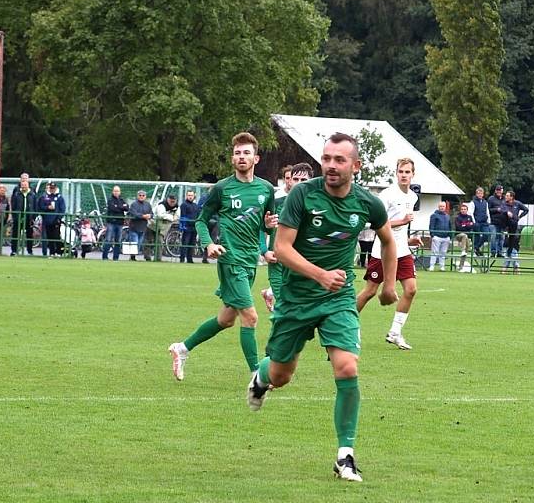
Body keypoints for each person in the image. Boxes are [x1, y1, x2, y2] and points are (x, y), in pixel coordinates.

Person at [247, 132, 398, 483]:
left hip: (338, 299)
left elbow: (388, 240)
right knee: (282, 376)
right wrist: (319, 275)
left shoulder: (368, 203)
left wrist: (388, 285)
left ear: (355, 166)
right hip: (297, 298)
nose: (330, 165)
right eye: (326, 158)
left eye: (339, 160)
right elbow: (282, 248)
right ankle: (261, 376)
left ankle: (345, 454)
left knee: (347, 367)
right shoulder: (302, 194)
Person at [168, 132, 276, 382]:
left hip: (250, 261)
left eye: (246, 152)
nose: (241, 157)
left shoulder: (266, 189)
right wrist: (208, 244)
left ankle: (181, 348)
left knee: (226, 319)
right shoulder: (222, 188)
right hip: (230, 260)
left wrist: (270, 226)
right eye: (237, 153)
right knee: (250, 316)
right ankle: (256, 375)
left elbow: (267, 226)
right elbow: (201, 220)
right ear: (232, 158)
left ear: (256, 158)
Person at [356, 157, 418, 350]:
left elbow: (401, 229)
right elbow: (377, 224)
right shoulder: (387, 195)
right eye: (401, 171)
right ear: (396, 173)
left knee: (411, 289)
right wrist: (402, 221)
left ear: (413, 174)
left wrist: (408, 240)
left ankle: (395, 332)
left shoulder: (413, 197)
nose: (404, 175)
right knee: (370, 292)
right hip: (381, 250)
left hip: (402, 250)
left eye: (408, 172)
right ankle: (345, 326)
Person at [260, 162, 312, 311]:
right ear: (289, 180)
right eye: (295, 179)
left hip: (302, 265)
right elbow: (261, 228)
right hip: (278, 263)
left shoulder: (317, 208)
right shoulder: (276, 203)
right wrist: (264, 251)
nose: (298, 183)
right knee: (285, 307)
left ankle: (269, 293)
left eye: (304, 180)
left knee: (297, 310)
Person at [500, 190, 528, 274]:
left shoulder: (517, 203)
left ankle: (511, 268)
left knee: (514, 245)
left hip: (514, 226)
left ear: (511, 197)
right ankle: (510, 267)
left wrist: (519, 217)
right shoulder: (504, 203)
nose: (506, 197)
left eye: (507, 195)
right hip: (505, 226)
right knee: (507, 246)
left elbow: (526, 210)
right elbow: (502, 209)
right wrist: (507, 212)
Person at [9, 173, 37, 256]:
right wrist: (14, 215)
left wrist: (34, 215)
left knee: (29, 234)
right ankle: (14, 251)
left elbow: (35, 203)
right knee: (16, 233)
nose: (24, 180)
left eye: (26, 179)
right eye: (23, 179)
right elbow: (13, 203)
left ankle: (29, 251)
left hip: (29, 216)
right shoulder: (16, 190)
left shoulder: (32, 190)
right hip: (18, 216)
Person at [144, 194, 179, 261]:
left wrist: (169, 217)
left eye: (174, 201)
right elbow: (160, 215)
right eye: (171, 200)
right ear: (167, 199)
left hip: (162, 228)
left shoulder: (177, 207)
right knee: (149, 241)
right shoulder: (161, 205)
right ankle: (147, 257)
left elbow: (177, 217)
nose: (172, 202)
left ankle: (158, 259)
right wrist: (171, 217)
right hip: (152, 224)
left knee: (159, 242)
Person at [37, 182, 65, 257]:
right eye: (51, 188)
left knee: (56, 236)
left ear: (55, 188)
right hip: (47, 220)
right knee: (49, 237)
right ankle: (52, 253)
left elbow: (62, 209)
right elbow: (41, 207)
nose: (52, 190)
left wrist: (59, 218)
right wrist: (47, 208)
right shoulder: (44, 197)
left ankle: (59, 252)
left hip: (56, 221)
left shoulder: (59, 197)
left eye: (53, 188)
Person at [101, 185, 129, 261]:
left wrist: (119, 206)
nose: (116, 192)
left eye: (118, 191)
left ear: (120, 192)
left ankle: (116, 257)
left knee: (118, 240)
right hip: (111, 222)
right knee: (108, 239)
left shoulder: (122, 199)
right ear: (113, 192)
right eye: (115, 191)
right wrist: (121, 207)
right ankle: (105, 257)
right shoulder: (110, 200)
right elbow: (113, 208)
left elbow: (127, 208)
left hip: (120, 223)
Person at [126, 190, 152, 261]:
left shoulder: (148, 205)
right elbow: (134, 214)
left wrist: (149, 216)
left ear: (145, 197)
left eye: (143, 195)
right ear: (137, 196)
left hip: (143, 227)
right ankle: (132, 257)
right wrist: (143, 216)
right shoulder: (134, 204)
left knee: (139, 244)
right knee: (135, 243)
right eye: (140, 195)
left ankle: (132, 257)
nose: (141, 197)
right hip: (134, 227)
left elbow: (151, 213)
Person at [178, 190, 201, 263]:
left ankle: (190, 258)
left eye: (191, 195)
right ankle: (182, 259)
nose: (190, 197)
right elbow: (183, 216)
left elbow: (198, 215)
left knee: (192, 243)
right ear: (186, 196)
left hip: (194, 227)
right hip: (187, 227)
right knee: (185, 243)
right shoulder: (184, 205)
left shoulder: (195, 205)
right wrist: (184, 225)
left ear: (194, 196)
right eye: (189, 195)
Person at [428, 201, 451, 271]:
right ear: (438, 207)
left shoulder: (447, 216)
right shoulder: (434, 215)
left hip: (446, 237)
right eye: (441, 206)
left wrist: (450, 236)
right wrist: (433, 235)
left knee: (443, 252)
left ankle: (442, 266)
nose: (442, 208)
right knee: (434, 252)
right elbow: (431, 226)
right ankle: (432, 266)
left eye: (443, 206)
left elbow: (450, 226)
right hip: (437, 236)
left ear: (445, 207)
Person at [454, 203, 475, 272]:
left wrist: (464, 225)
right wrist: (467, 225)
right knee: (464, 235)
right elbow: (459, 227)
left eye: (465, 209)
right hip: (459, 235)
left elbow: (472, 226)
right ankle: (463, 250)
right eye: (462, 209)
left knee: (465, 252)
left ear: (467, 210)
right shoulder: (457, 217)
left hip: (467, 237)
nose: (463, 210)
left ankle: (461, 267)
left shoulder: (469, 217)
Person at [470, 186, 491, 255]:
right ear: (476, 194)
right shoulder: (473, 202)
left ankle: (476, 247)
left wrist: (489, 221)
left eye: (481, 193)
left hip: (484, 222)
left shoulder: (485, 202)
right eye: (478, 193)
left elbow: (487, 212)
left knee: (486, 234)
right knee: (477, 236)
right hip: (477, 222)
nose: (480, 195)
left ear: (483, 194)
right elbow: (471, 213)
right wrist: (474, 222)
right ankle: (476, 251)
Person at [487, 184, 506, 257]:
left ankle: (500, 252)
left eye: (500, 190)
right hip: (493, 222)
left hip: (502, 222)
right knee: (493, 236)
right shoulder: (491, 199)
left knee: (501, 237)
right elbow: (488, 210)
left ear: (502, 191)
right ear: (495, 191)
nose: (499, 191)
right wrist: (496, 209)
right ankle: (493, 252)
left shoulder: (505, 199)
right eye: (497, 190)